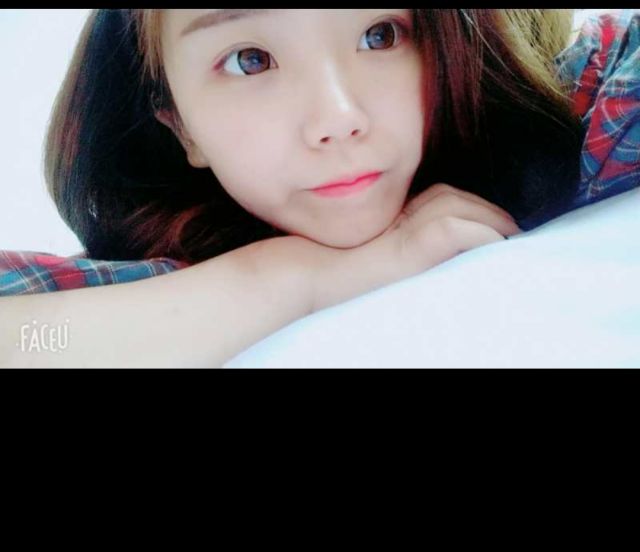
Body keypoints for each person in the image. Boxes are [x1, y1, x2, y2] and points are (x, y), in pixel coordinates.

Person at [0, 9, 637, 367]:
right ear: (181, 126)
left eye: (380, 35)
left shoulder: (586, 106)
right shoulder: (148, 282)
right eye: (251, 60)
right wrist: (302, 276)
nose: (337, 117)